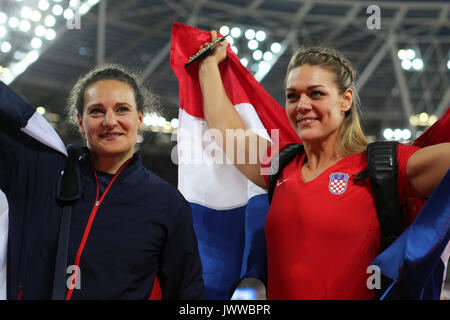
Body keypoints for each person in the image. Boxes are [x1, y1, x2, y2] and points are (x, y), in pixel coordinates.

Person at [197, 31, 450, 299]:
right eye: (292, 96)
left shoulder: (384, 166)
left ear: (346, 100)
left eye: (316, 94)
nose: (302, 105)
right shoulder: (281, 167)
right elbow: (226, 130)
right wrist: (208, 64)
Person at [0, 64, 204, 299]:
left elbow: (188, 293)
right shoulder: (43, 172)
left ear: (139, 119)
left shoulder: (167, 203)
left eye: (122, 109)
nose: (110, 121)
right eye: (96, 111)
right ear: (80, 121)